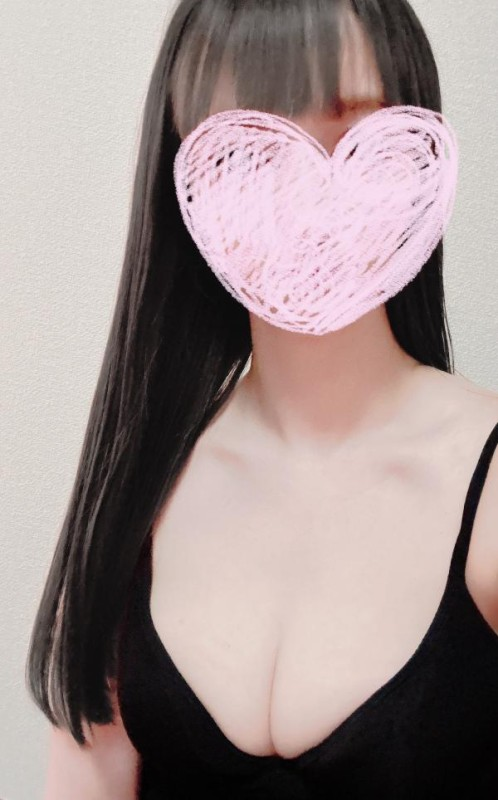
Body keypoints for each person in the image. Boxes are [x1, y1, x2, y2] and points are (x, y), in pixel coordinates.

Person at [27, 1, 498, 798]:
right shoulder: (135, 498)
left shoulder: (485, 492)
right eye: (253, 149)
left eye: (353, 132)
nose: (310, 197)